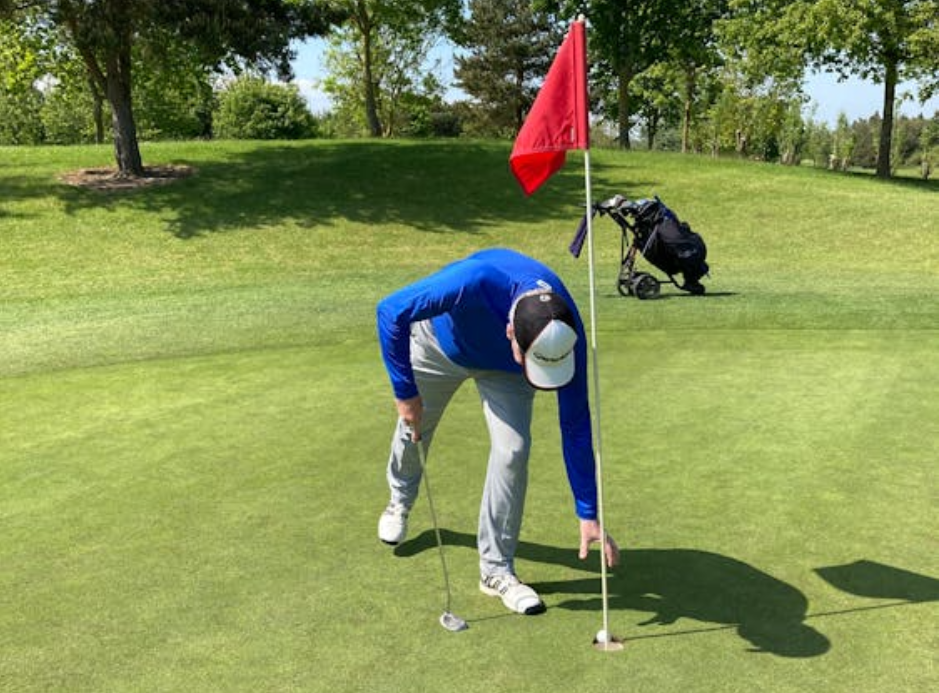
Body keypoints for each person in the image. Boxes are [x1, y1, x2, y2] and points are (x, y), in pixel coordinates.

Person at [375, 247, 620, 616]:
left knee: (513, 450)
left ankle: (495, 570)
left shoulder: (566, 332)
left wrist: (588, 512)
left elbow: (575, 423)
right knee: (414, 425)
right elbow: (390, 311)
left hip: (506, 372)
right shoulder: (472, 280)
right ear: (511, 332)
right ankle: (399, 500)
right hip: (440, 346)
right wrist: (404, 392)